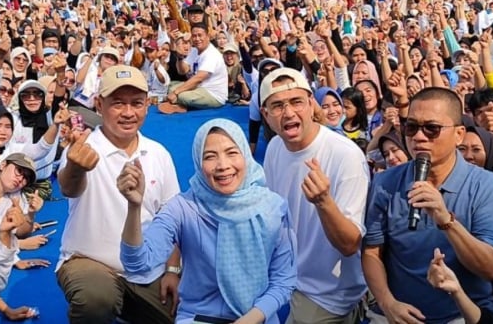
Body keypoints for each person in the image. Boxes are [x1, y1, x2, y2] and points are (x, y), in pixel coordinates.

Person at [119, 118, 296, 323]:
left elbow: (284, 280)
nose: (223, 165)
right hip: (199, 317)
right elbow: (138, 263)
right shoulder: (184, 208)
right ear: (197, 162)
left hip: (259, 318)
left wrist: (250, 319)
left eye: (232, 153)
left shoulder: (273, 208)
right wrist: (134, 207)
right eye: (210, 156)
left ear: (245, 156)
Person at [363, 87, 493, 324]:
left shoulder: (485, 185)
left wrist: (446, 221)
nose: (419, 137)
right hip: (397, 313)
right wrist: (387, 303)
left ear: (459, 134)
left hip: (462, 315)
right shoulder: (385, 182)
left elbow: (491, 268)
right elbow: (372, 252)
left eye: (432, 128)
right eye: (411, 127)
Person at [57, 64, 181, 324]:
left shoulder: (158, 153)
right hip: (91, 262)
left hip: (147, 267)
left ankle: (126, 308)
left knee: (183, 311)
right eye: (117, 103)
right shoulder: (83, 149)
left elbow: (173, 220)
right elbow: (69, 186)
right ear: (99, 105)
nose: (128, 113)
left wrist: (172, 269)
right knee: (96, 300)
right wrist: (76, 168)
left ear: (147, 105)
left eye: (136, 103)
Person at [260, 68, 370, 323]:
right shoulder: (276, 147)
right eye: (277, 106)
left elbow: (350, 243)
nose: (288, 113)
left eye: (296, 102)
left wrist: (323, 202)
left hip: (329, 291)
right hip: (289, 274)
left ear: (311, 105)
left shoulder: (346, 155)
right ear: (265, 115)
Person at [159, 23, 228, 114]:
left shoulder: (211, 54)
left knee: (181, 95)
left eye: (200, 35)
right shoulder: (195, 51)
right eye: (194, 36)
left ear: (207, 36)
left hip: (213, 94)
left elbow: (198, 78)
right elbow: (182, 71)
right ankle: (180, 105)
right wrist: (180, 57)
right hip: (199, 88)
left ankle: (181, 105)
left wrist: (176, 92)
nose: (197, 39)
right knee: (171, 86)